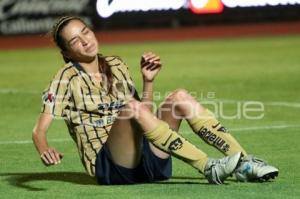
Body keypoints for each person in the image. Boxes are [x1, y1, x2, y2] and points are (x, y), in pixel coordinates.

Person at [32, 16, 278, 185]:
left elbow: (144, 118)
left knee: (179, 97)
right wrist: (45, 149)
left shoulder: (116, 65)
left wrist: (148, 81)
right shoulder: (66, 78)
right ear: (66, 52)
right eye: (75, 40)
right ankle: (208, 166)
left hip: (144, 161)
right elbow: (39, 131)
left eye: (85, 31)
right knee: (131, 108)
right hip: (110, 167)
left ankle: (245, 162)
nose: (85, 40)